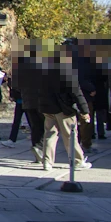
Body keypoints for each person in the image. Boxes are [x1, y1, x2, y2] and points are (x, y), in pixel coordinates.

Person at [38, 43, 91, 172]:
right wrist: (85, 110)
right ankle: (77, 160)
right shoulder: (67, 71)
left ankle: (47, 161)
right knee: (70, 135)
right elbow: (76, 92)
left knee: (50, 134)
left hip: (47, 107)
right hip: (64, 108)